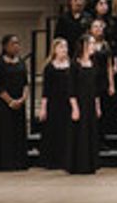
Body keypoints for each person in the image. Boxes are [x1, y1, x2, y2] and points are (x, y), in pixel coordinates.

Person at [0, 34, 28, 171]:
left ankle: (19, 162)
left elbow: (25, 83)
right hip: (5, 104)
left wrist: (23, 99)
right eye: (13, 43)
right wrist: (11, 101)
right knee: (6, 133)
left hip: (20, 102)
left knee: (19, 132)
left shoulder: (22, 62)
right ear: (5, 46)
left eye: (18, 43)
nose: (16, 46)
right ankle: (6, 163)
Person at [68, 34, 101, 175]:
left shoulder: (94, 63)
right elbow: (71, 88)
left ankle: (90, 164)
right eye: (91, 43)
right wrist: (75, 108)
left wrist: (97, 106)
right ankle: (78, 164)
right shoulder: (75, 64)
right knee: (79, 133)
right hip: (79, 101)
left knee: (90, 131)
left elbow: (96, 88)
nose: (94, 46)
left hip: (90, 102)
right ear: (84, 45)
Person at [38, 37, 73, 170]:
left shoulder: (71, 64)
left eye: (65, 47)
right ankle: (53, 160)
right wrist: (43, 108)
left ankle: (66, 159)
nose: (64, 49)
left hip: (68, 102)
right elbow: (46, 90)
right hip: (54, 103)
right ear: (55, 50)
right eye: (61, 47)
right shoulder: (49, 67)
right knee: (54, 130)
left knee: (66, 131)